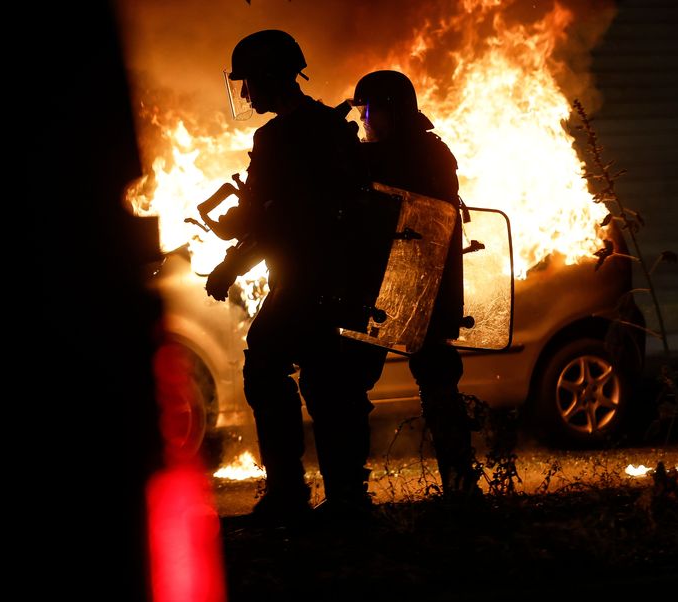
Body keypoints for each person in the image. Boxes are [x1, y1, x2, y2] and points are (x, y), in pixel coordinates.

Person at [205, 30, 384, 525]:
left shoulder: (278, 138)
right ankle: (346, 497)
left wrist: (229, 262)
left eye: (249, 82)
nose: (245, 94)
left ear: (268, 77)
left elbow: (273, 223)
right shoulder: (332, 127)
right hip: (344, 280)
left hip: (306, 280)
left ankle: (289, 492)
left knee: (264, 367)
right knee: (329, 384)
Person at [351, 69, 481, 496]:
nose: (366, 121)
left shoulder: (407, 155)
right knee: (433, 383)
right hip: (411, 286)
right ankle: (460, 488)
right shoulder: (430, 151)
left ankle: (353, 494)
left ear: (391, 110)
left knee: (354, 383)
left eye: (369, 110)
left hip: (409, 286)